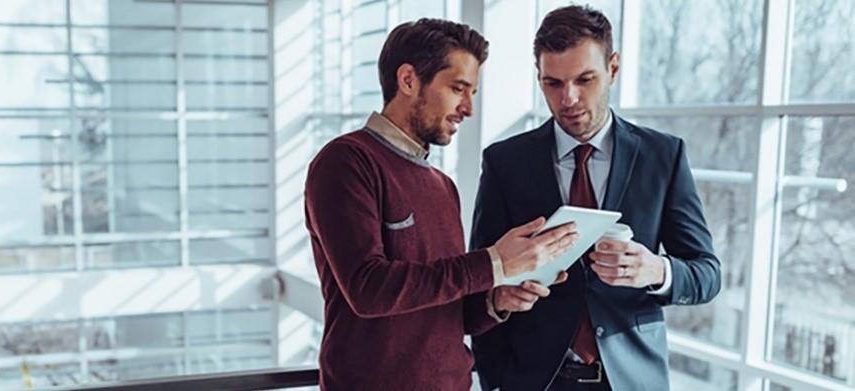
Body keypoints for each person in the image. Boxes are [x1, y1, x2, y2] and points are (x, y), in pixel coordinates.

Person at [304, 18, 577, 390]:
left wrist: (496, 300)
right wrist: (494, 262)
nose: (468, 108)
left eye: (472, 93)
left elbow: (447, 310)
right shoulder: (347, 161)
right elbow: (368, 289)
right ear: (408, 80)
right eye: (457, 88)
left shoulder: (442, 186)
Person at [469, 5, 722, 391]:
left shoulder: (664, 157)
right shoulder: (505, 163)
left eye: (584, 79)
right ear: (538, 78)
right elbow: (479, 284)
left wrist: (656, 271)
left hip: (632, 381)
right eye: (553, 83)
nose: (568, 98)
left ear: (613, 69)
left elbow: (707, 274)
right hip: (533, 382)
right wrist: (495, 379)